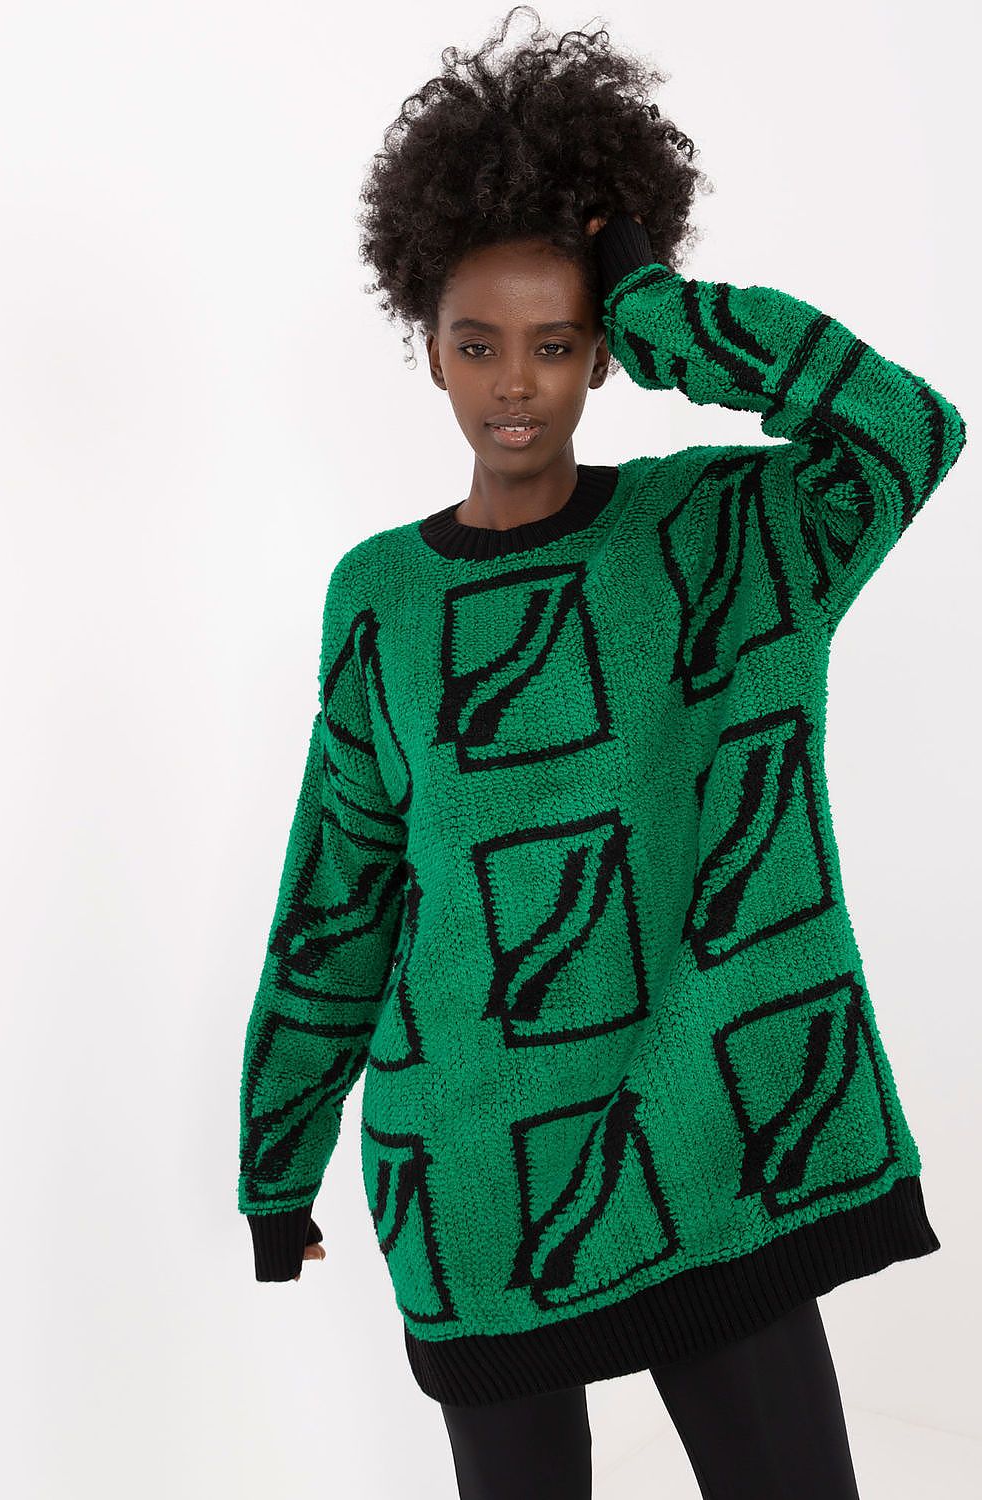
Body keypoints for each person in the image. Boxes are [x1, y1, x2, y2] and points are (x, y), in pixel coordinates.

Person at [237, 9, 966, 1497]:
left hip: (713, 1139)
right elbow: (342, 890)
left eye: (559, 341)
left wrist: (660, 304)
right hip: (472, 1174)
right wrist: (276, 1159)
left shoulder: (724, 535)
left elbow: (909, 430)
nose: (515, 382)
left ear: (603, 354)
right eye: (478, 343)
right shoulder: (380, 597)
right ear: (427, 348)